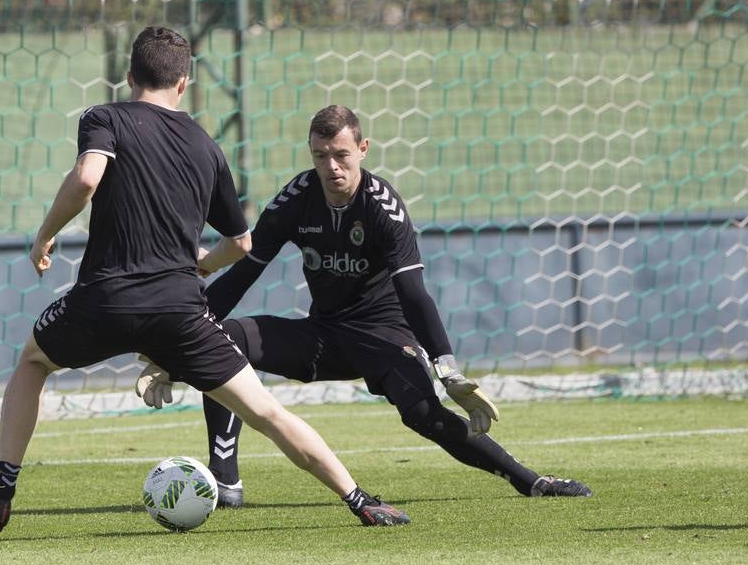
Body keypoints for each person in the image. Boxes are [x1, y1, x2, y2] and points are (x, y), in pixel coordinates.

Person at [0, 29, 410, 531]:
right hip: (181, 309)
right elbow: (241, 244)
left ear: (130, 77)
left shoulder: (104, 117)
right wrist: (201, 266)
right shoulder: (205, 144)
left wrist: (44, 235)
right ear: (184, 82)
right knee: (266, 413)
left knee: (34, 362)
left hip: (103, 300)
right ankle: (359, 499)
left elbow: (87, 179)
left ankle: (0, 492)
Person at [136, 104, 591, 507]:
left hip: (384, 335)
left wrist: (448, 369)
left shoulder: (382, 208)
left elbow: (414, 295)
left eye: (341, 155)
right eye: (320, 156)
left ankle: (530, 481)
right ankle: (225, 479)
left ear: (363, 148)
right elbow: (242, 273)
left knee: (422, 415)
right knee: (227, 338)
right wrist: (172, 347)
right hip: (326, 334)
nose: (331, 167)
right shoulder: (296, 199)